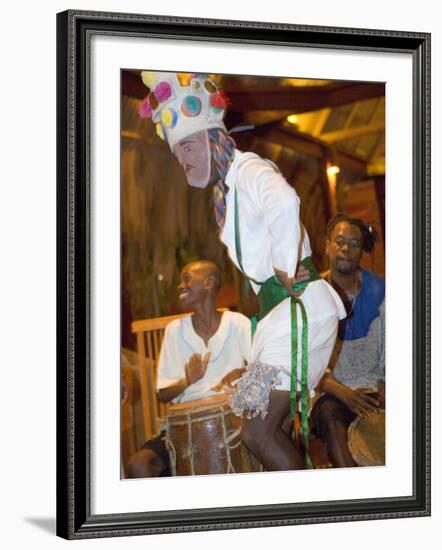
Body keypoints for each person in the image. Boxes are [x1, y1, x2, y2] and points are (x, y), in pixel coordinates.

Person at [138, 71, 346, 471]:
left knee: (257, 433)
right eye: (176, 153)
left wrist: (286, 265)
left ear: (210, 137)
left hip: (299, 308)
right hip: (279, 315)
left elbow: (285, 202)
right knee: (263, 430)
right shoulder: (227, 188)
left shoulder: (248, 169)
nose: (182, 160)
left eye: (185, 147)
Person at [127, 260, 252, 478]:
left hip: (234, 423)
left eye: (186, 279)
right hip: (184, 430)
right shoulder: (175, 331)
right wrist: (187, 380)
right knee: (139, 465)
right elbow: (163, 394)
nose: (180, 285)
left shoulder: (238, 323)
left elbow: (261, 371)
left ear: (208, 283)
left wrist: (243, 373)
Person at [311, 213, 385, 468]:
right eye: (339, 241)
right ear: (327, 245)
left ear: (362, 250)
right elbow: (304, 363)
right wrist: (342, 392)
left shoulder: (381, 290)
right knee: (330, 416)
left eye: (354, 244)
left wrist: (385, 385)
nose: (345, 248)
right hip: (331, 392)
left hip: (374, 387)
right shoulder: (312, 294)